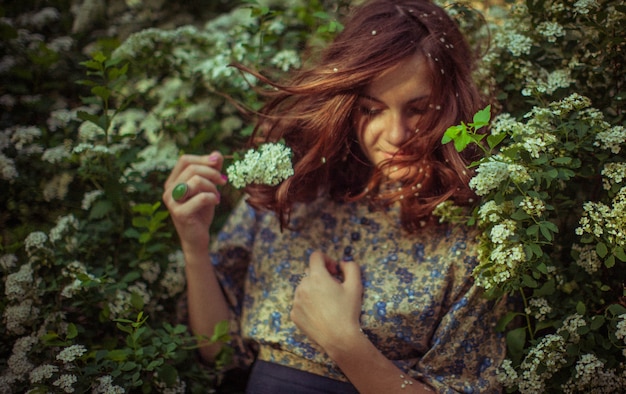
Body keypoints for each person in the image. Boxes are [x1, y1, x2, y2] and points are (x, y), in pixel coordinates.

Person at [163, 0, 507, 392]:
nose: (395, 134)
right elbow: (220, 352)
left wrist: (344, 343)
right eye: (371, 109)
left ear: (452, 105)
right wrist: (194, 243)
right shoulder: (294, 190)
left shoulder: (474, 240)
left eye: (419, 108)